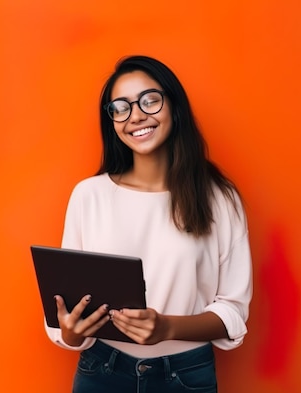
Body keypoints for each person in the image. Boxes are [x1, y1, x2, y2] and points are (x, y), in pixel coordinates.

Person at [45, 55, 253, 393]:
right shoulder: (89, 195)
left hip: (185, 377)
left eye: (149, 100)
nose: (136, 116)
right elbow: (69, 309)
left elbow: (233, 311)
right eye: (121, 107)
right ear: (111, 120)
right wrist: (70, 331)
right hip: (102, 371)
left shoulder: (219, 198)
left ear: (174, 105)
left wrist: (167, 327)